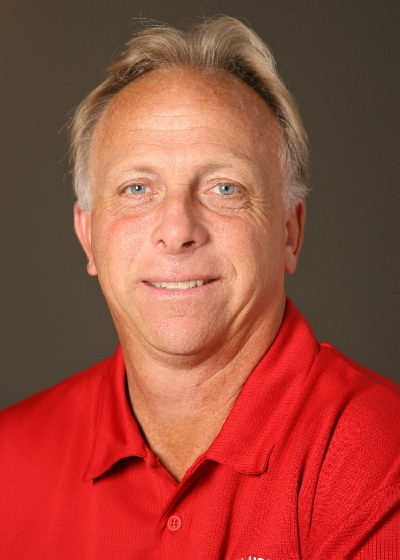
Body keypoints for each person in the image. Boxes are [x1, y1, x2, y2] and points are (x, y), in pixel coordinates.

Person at [0, 16, 399, 559]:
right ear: (88, 236)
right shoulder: (10, 459)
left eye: (224, 188)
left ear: (289, 233)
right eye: (137, 188)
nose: (177, 230)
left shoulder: (378, 457)